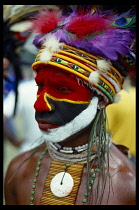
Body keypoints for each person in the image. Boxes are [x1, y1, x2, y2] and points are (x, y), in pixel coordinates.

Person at [4, 5, 136, 205]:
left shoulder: (126, 184)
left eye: (63, 89)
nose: (40, 105)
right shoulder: (18, 169)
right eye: (40, 86)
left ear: (101, 98)